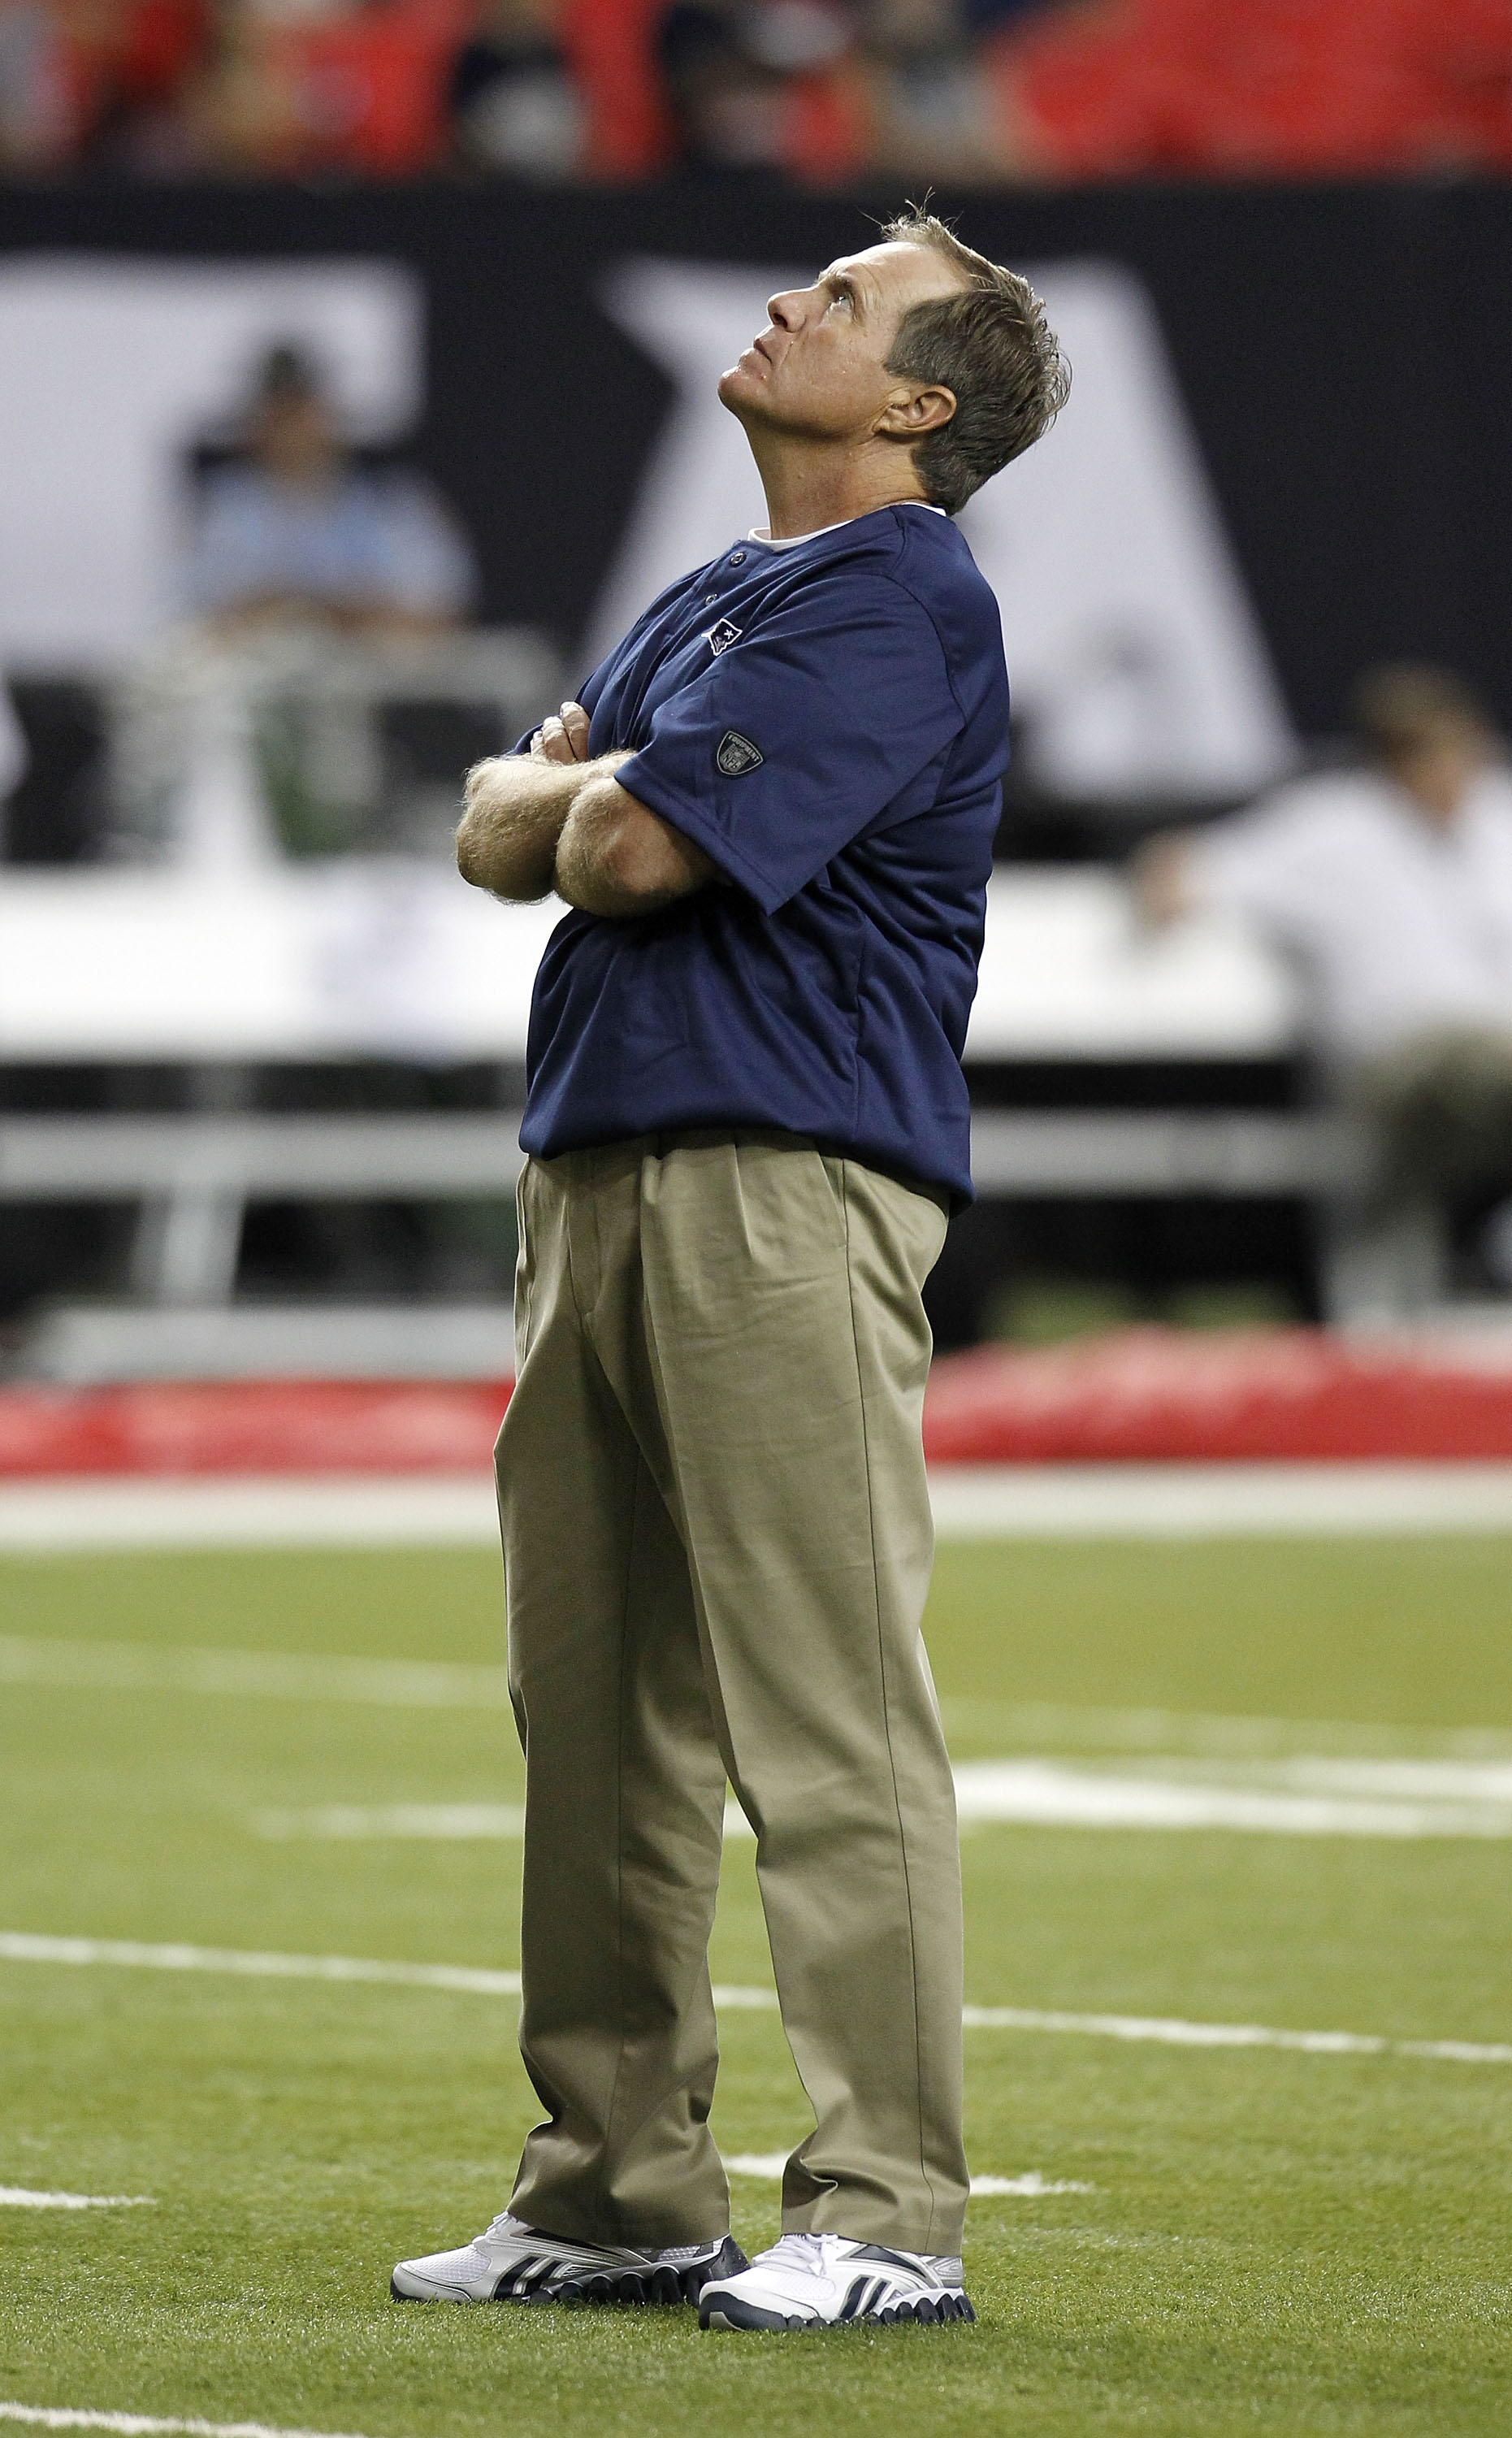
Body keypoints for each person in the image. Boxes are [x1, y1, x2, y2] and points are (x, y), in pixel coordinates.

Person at [390, 209, 1067, 2332]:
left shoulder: (897, 598)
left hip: (785, 1173)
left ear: (917, 405)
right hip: (597, 1163)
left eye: (843, 300)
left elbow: (612, 843)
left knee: (822, 1709)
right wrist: (576, 800)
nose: (791, 300)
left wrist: (581, 793)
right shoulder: (719, 594)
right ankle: (616, 2191)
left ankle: (883, 2211)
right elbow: (495, 829)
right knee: (592, 1717)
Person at [1133, 664, 1512, 1317]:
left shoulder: (1496, 819)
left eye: (1462, 750)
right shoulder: (1329, 827)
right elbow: (1182, 866)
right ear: (1392, 759)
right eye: (1430, 753)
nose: (1454, 770)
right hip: (1400, 1066)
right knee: (1477, 1065)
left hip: (1491, 1068)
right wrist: (1163, 889)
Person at [184, 342, 474, 634]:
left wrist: (333, 614)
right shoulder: (223, 508)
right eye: (279, 416)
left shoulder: (392, 501)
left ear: (329, 414)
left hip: (368, 661)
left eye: (302, 412)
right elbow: (196, 620)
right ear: (255, 426)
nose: (293, 432)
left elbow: (442, 614)